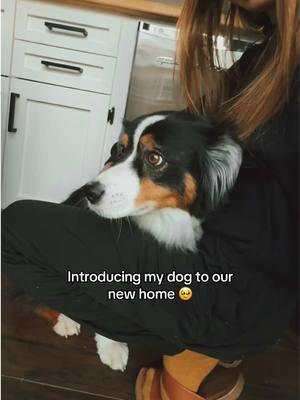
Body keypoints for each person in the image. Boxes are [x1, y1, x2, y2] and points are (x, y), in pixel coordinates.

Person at [2, 0, 299, 398]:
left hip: (224, 286)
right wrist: (127, 155)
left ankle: (176, 339)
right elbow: (192, 123)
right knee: (80, 210)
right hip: (239, 275)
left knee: (11, 231)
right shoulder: (270, 51)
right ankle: (184, 339)